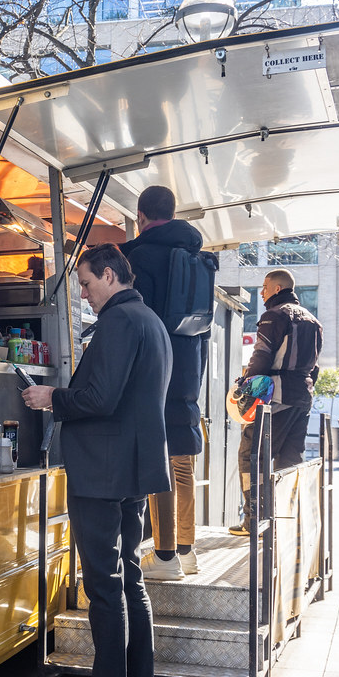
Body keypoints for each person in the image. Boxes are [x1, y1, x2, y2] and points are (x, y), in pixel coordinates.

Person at [22, 244, 172, 677]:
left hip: (102, 474)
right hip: (132, 471)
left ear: (109, 275)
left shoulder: (118, 322)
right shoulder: (151, 321)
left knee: (103, 587)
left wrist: (52, 397)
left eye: (86, 284)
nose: (84, 295)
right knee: (129, 580)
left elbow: (99, 397)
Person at [121, 185, 208, 580]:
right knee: (182, 461)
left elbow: (140, 318)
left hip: (159, 368)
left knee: (161, 464)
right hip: (191, 365)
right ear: (172, 213)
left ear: (141, 215)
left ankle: (166, 556)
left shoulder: (142, 257)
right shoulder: (194, 255)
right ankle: (187, 550)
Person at [230, 268, 323, 537]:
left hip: (276, 397)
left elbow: (261, 357)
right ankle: (288, 523)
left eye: (265, 286)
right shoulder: (314, 321)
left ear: (278, 289)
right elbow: (314, 368)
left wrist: (245, 388)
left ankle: (253, 520)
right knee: (290, 459)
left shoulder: (274, 316)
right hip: (303, 398)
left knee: (252, 456)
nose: (262, 292)